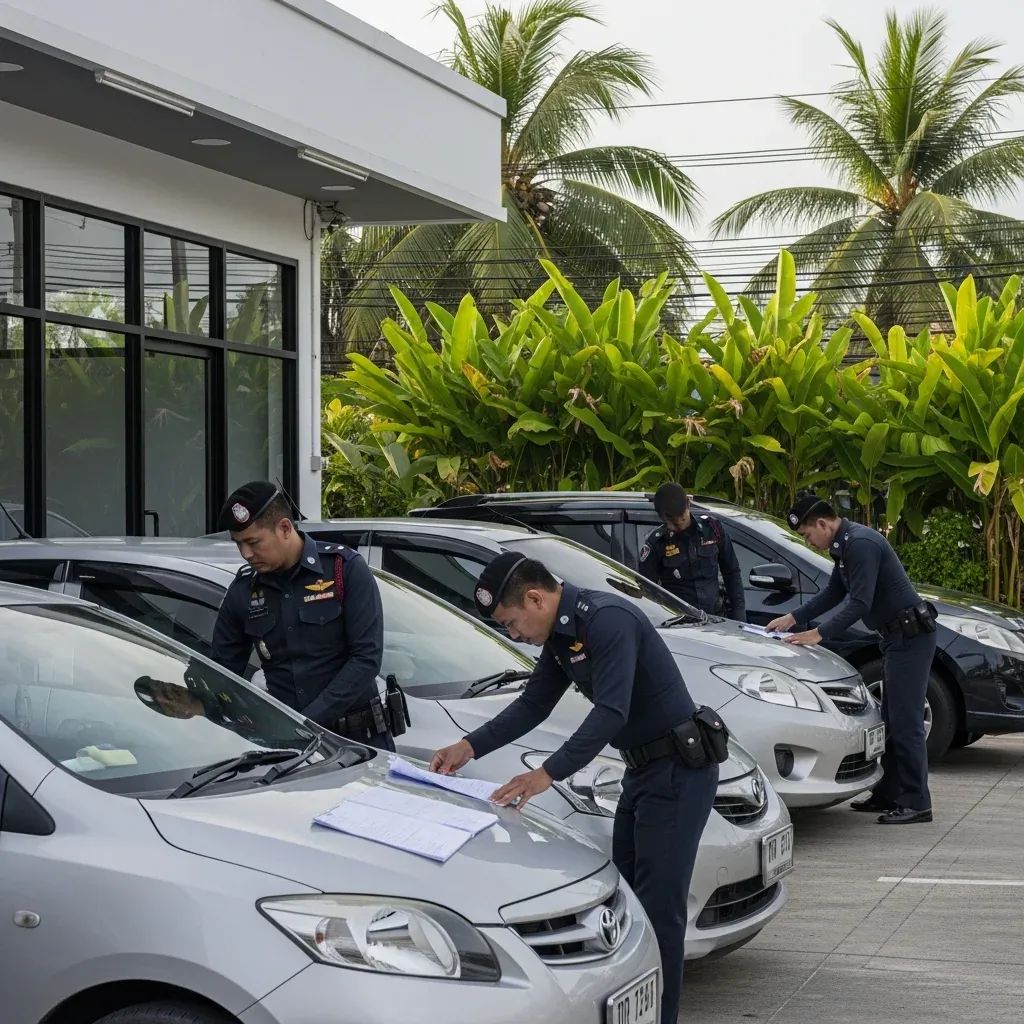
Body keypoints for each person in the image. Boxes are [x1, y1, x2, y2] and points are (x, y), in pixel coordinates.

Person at [429, 553, 721, 1024]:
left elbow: (612, 711)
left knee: (659, 912)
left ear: (535, 598)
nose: (513, 635)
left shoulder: (606, 620)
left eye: (511, 622)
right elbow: (532, 705)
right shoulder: (564, 636)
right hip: (645, 771)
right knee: (631, 907)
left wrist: (546, 773)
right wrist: (468, 746)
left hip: (678, 773)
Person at [766, 494, 937, 825]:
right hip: (896, 637)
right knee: (891, 720)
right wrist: (792, 617)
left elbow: (860, 601)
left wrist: (818, 633)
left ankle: (917, 802)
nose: (809, 541)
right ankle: (888, 794)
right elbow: (834, 593)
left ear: (823, 523)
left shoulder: (860, 544)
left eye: (806, 534)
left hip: (911, 638)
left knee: (907, 723)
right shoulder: (844, 545)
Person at [210, 481, 394, 749]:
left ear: (285, 528)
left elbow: (366, 660)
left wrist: (306, 723)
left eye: (253, 542)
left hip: (358, 742)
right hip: (288, 750)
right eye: (239, 544)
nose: (246, 554)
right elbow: (223, 672)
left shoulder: (344, 569)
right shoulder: (244, 590)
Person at [639, 482, 746, 621]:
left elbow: (732, 573)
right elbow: (647, 591)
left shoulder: (712, 529)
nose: (679, 525)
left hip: (716, 621)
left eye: (682, 518)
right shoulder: (656, 544)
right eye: (672, 521)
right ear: (662, 518)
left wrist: (739, 615)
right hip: (680, 625)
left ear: (688, 504)